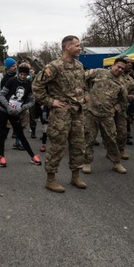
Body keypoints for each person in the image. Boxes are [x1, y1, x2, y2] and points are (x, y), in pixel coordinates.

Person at [32, 35, 87, 192]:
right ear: (67, 47)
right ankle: (51, 179)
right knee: (58, 145)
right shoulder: (54, 66)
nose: (80, 48)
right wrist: (50, 102)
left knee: (78, 144)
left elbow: (82, 85)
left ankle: (75, 175)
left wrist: (85, 97)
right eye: (77, 45)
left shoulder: (79, 65)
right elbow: (36, 86)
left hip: (77, 111)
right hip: (61, 113)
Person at [82, 57, 128, 175]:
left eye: (123, 68)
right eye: (118, 67)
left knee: (111, 139)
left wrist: (115, 108)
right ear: (113, 65)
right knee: (89, 138)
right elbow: (81, 79)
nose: (120, 69)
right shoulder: (98, 72)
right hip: (91, 112)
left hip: (107, 115)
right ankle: (86, 162)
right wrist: (85, 93)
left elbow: (123, 101)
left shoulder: (122, 82)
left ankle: (116, 162)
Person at [0, 64, 41, 167]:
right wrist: (8, 107)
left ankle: (32, 156)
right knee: (2, 134)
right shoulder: (11, 81)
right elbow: (1, 95)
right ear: (18, 73)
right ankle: (2, 156)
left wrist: (21, 108)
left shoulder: (29, 85)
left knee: (21, 134)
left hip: (16, 112)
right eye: (21, 74)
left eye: (25, 74)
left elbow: (32, 101)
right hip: (4, 110)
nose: (22, 76)